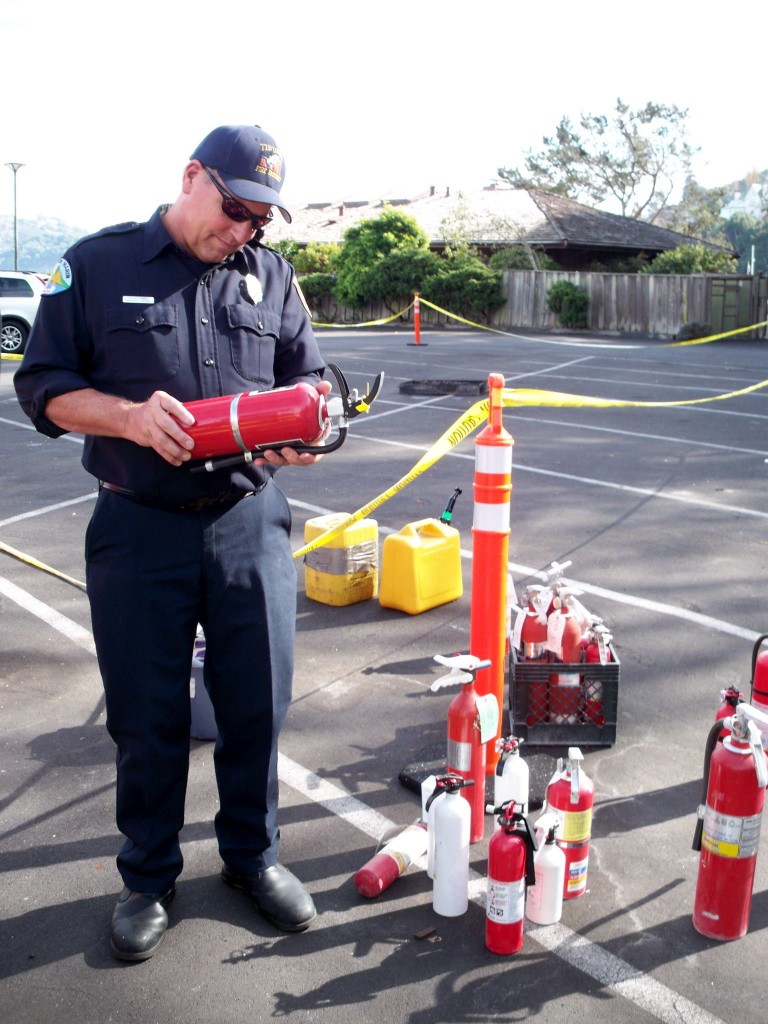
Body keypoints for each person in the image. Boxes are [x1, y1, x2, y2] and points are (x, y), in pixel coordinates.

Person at [15, 124, 328, 961]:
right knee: (148, 717)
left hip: (249, 522)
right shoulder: (98, 263)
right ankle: (147, 877)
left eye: (261, 219)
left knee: (257, 704)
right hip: (138, 525)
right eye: (233, 209)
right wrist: (124, 417)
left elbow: (312, 376)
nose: (244, 232)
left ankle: (251, 858)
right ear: (191, 177)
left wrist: (311, 424)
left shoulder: (269, 274)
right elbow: (40, 384)